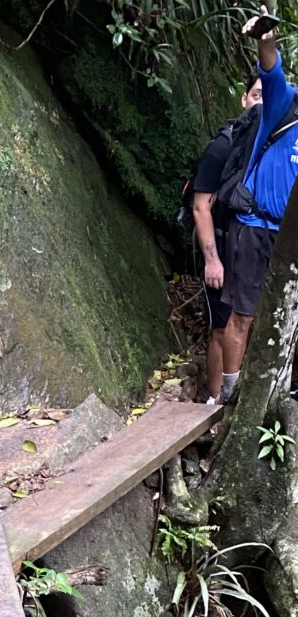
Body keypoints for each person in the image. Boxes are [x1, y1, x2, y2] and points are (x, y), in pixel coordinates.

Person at [218, 8, 298, 402]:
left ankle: (279, 392)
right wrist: (266, 38)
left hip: (291, 238)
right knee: (244, 313)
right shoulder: (285, 105)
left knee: (288, 317)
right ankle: (231, 393)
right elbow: (272, 70)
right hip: (255, 226)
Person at [191, 72, 262, 403]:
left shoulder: (268, 146)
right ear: (243, 98)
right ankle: (214, 400)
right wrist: (212, 259)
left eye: (267, 97)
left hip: (247, 247)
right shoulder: (223, 146)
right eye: (256, 95)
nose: (260, 103)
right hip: (219, 244)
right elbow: (200, 207)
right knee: (221, 326)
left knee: (243, 320)